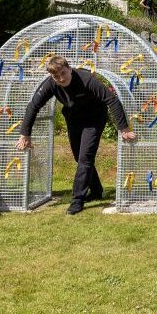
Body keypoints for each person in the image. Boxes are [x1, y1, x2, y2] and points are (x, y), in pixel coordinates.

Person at [16, 56, 136, 215]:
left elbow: (111, 99)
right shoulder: (51, 84)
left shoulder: (87, 79)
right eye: (56, 76)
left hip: (94, 118)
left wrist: (124, 128)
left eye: (63, 73)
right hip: (73, 119)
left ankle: (77, 200)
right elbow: (33, 106)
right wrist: (25, 134)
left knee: (85, 157)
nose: (60, 78)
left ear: (69, 69)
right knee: (78, 157)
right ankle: (96, 191)